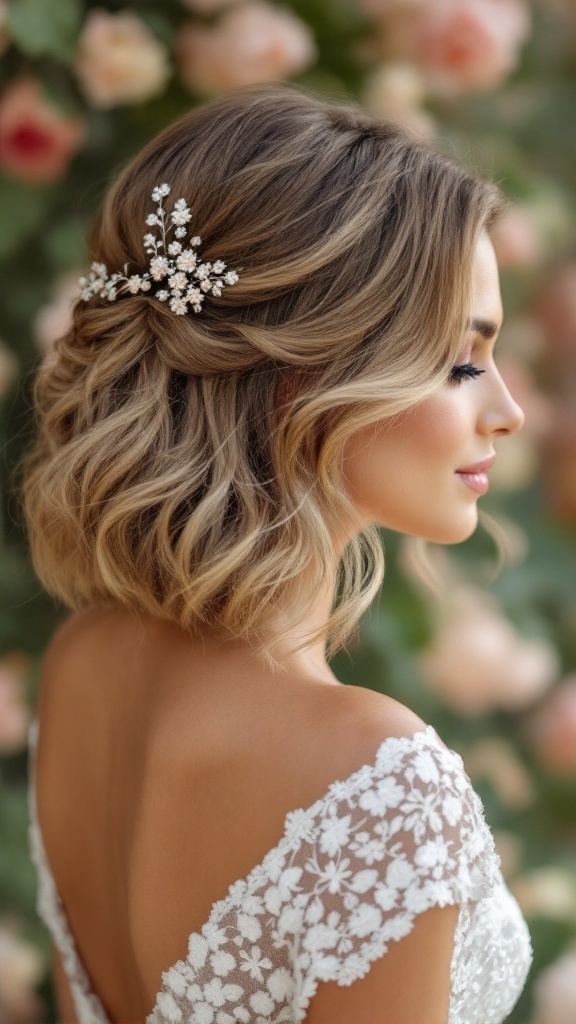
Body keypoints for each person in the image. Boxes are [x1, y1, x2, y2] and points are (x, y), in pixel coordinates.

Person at [21, 83, 532, 1024]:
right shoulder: (380, 782)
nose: (508, 411)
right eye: (461, 361)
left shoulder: (81, 660)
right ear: (304, 371)